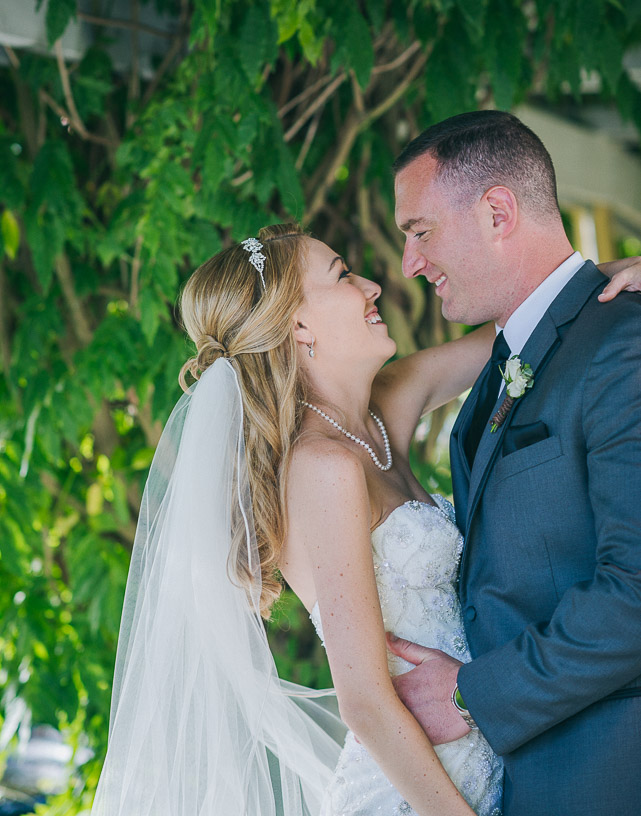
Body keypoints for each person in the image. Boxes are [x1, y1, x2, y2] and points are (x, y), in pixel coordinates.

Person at [90, 217, 638, 816]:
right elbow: (365, 703)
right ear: (298, 325)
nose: (373, 285)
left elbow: (530, 331)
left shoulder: (386, 408)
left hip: (488, 759)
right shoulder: (321, 467)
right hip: (413, 794)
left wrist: (615, 278)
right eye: (343, 275)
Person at [389, 110, 641, 816]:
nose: (410, 263)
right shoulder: (505, 365)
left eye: (419, 231)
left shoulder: (625, 342)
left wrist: (474, 694)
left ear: (497, 211)